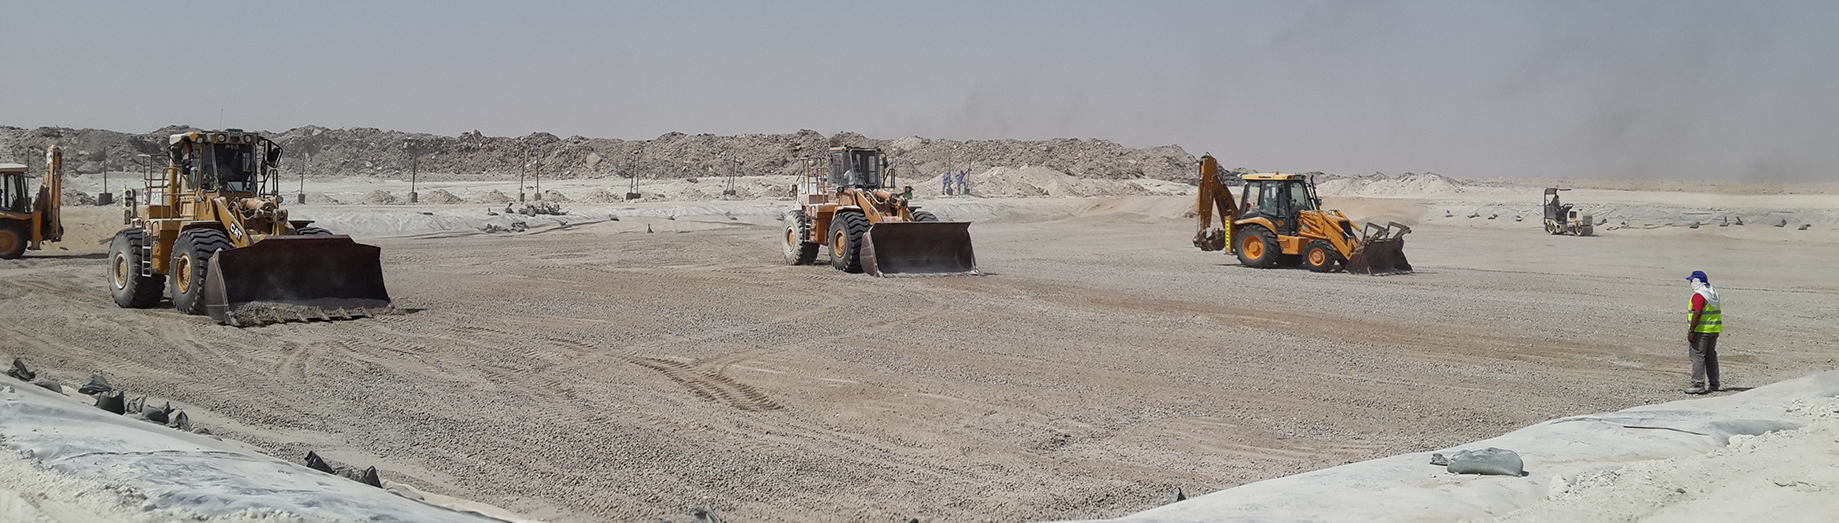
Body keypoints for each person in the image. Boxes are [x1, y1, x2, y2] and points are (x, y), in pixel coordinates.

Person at [1684, 270, 1722, 394]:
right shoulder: (1713, 293)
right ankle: (1714, 383)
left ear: (1696, 281)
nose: (1690, 283)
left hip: (1701, 331)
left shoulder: (1699, 295)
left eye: (1691, 281)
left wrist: (1691, 331)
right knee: (1711, 357)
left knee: (1698, 357)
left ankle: (1698, 384)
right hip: (1714, 330)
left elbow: (1697, 313)